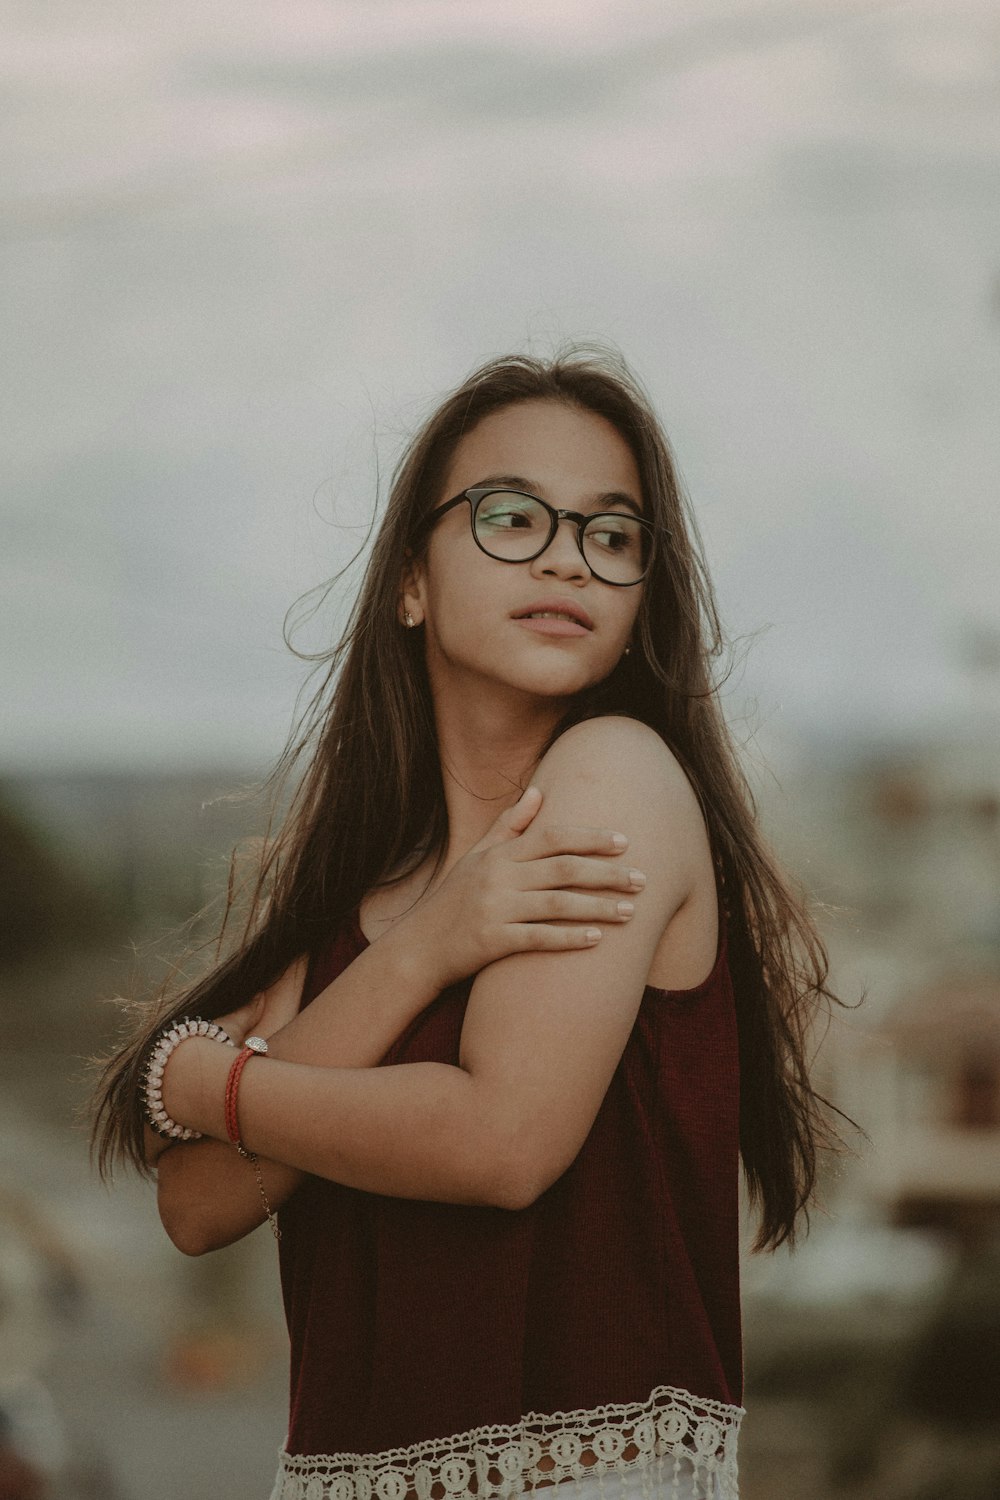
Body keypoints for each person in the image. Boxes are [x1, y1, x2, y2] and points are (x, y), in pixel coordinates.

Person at [93, 349, 839, 1500]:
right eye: (509, 516)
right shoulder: (359, 889)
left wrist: (204, 1083)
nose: (563, 556)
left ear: (642, 598)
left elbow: (501, 1146)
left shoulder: (611, 777)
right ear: (410, 583)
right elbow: (197, 1206)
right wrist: (427, 947)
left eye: (612, 535)